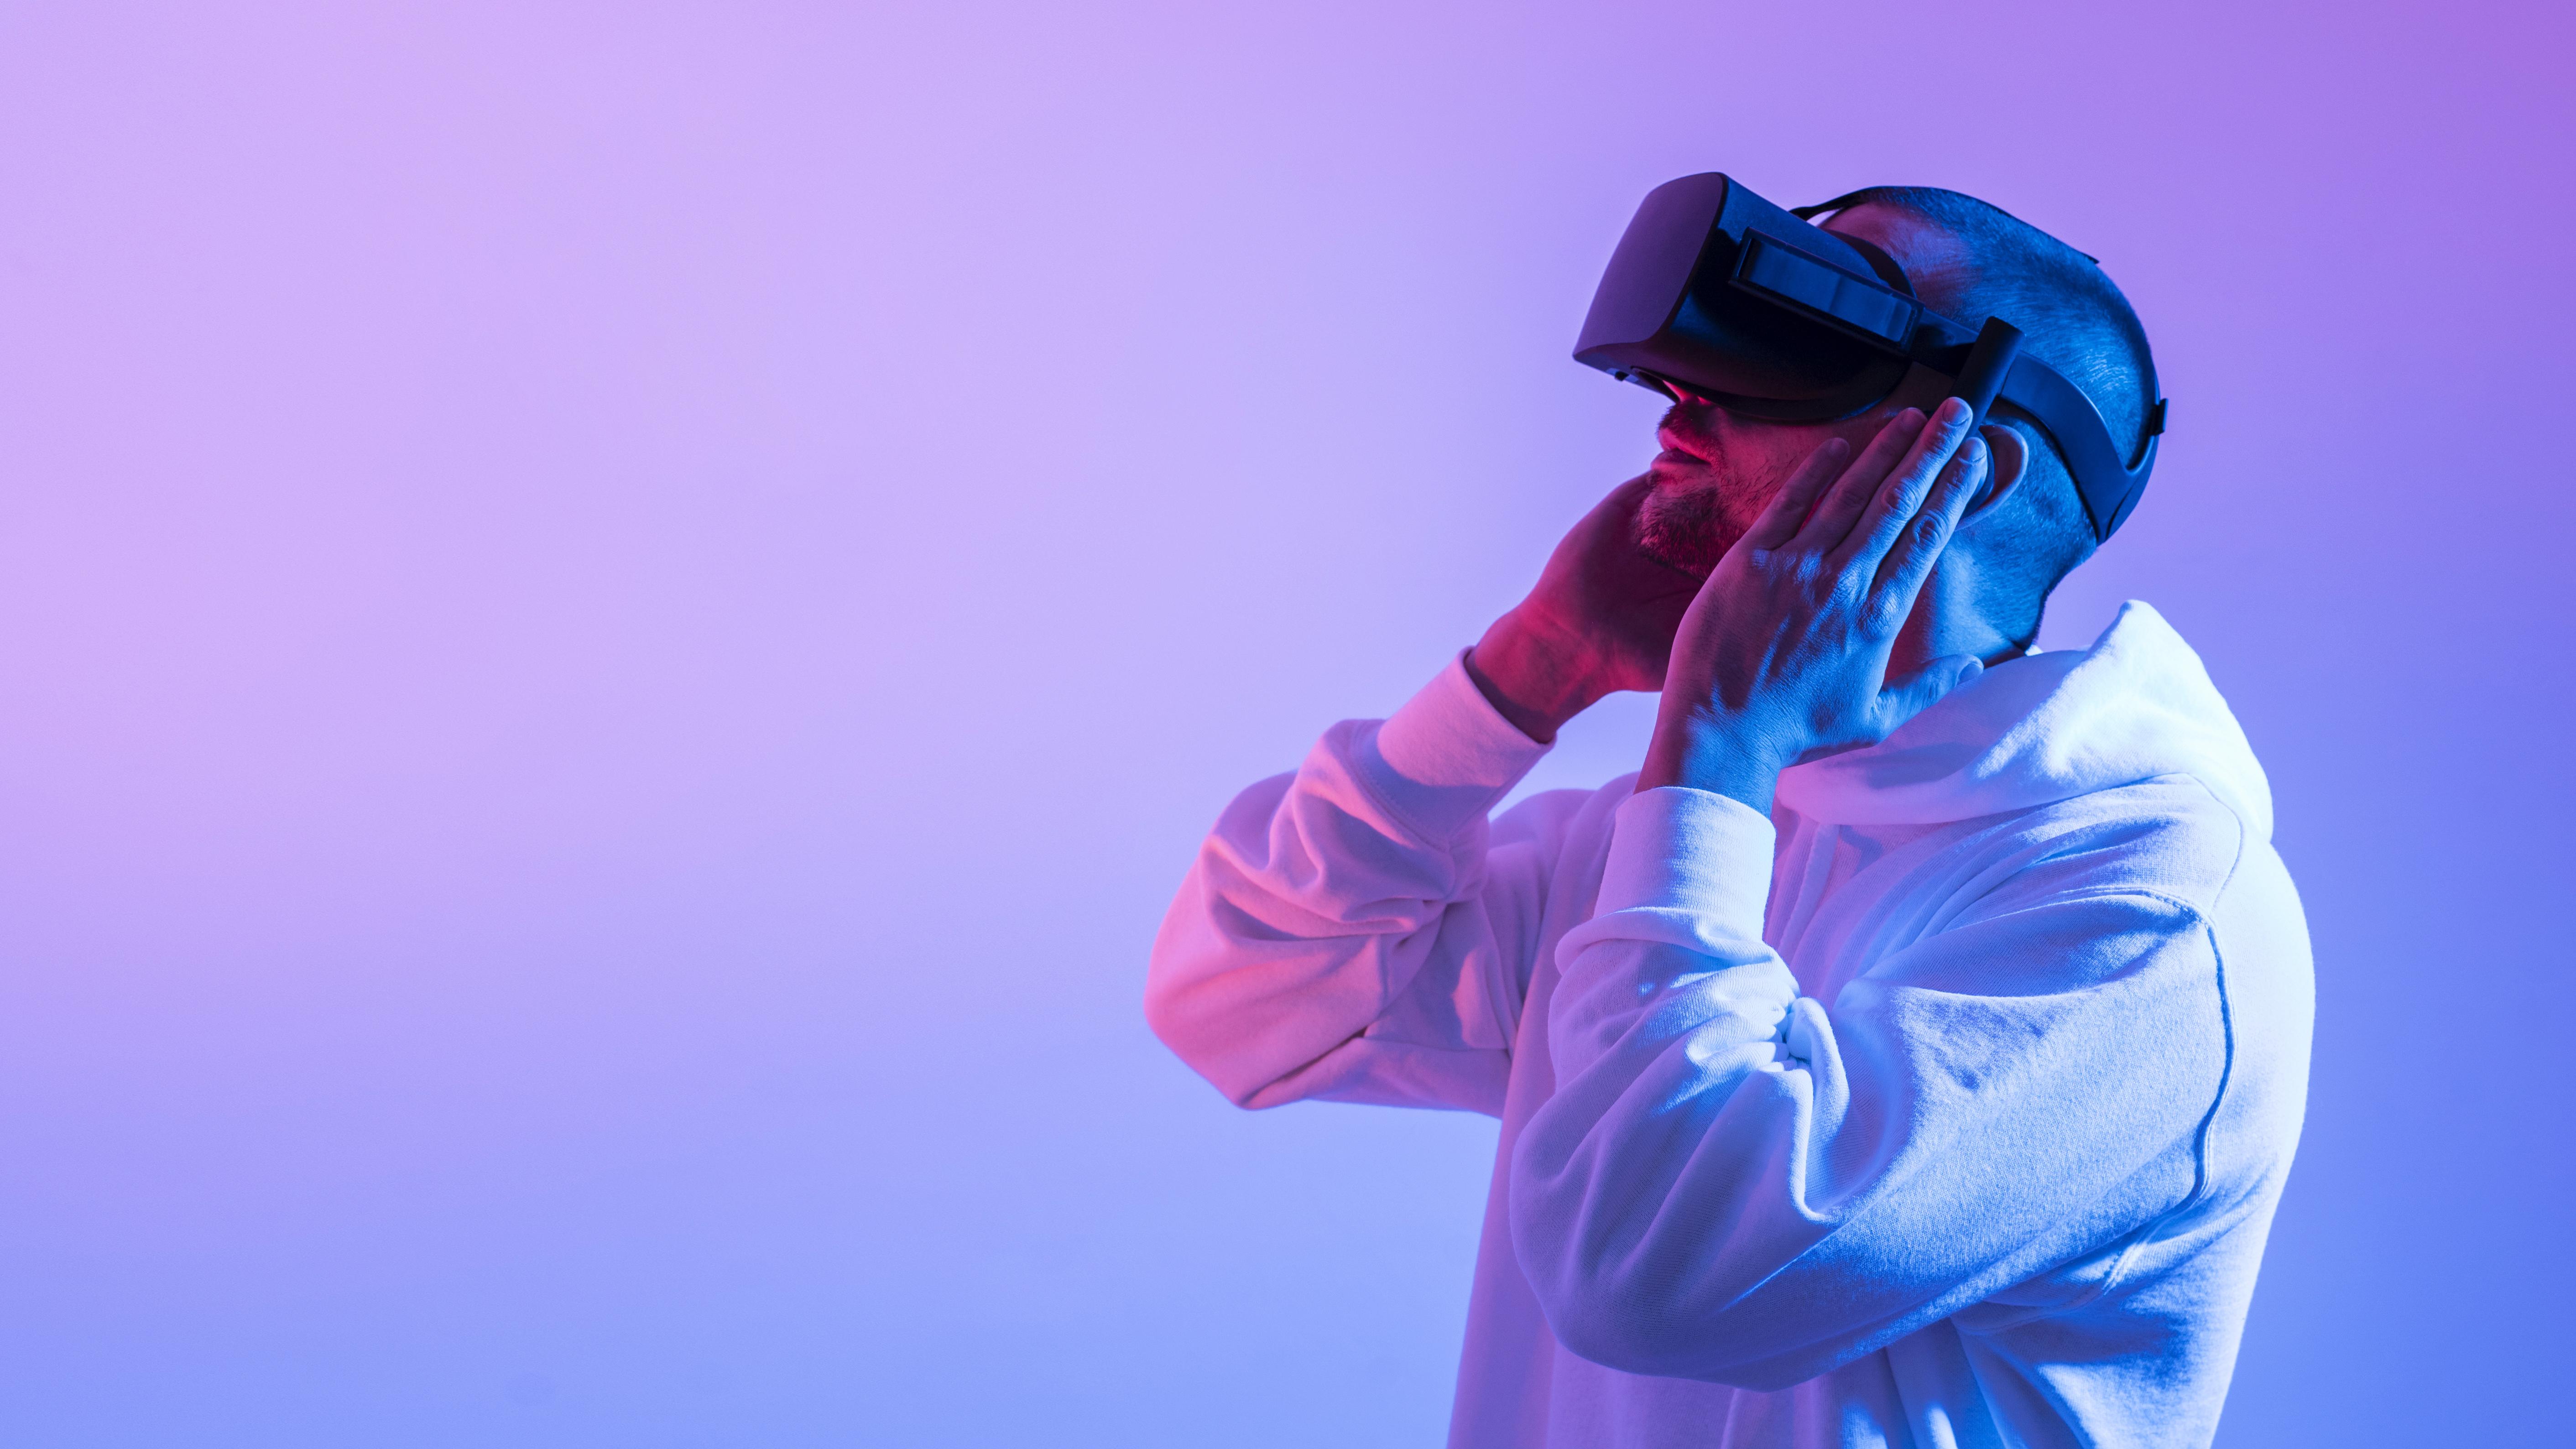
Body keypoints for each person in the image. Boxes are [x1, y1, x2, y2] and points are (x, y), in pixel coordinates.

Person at [1144, 187, 2313, 1449]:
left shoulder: (2147, 909)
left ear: (1966, 469)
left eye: (1803, 341)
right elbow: (1240, 998)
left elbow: (1652, 1272)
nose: (1681, 398)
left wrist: (1721, 748)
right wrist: (1532, 667)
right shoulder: (1669, 845)